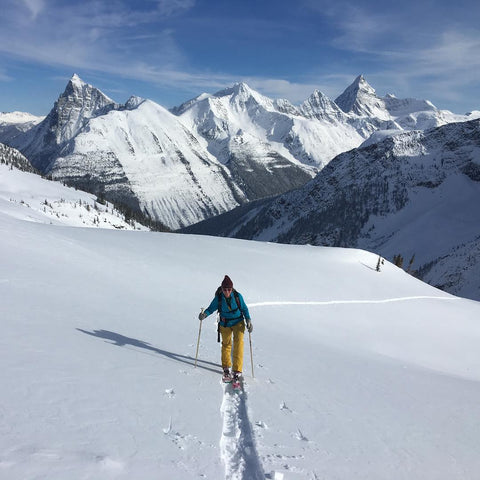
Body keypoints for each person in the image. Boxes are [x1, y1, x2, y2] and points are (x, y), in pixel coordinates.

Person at [198, 275, 253, 383]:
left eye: (229, 289)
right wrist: (204, 315)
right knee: (226, 344)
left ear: (232, 289)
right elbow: (211, 308)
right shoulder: (219, 298)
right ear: (222, 289)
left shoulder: (238, 296)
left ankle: (237, 370)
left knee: (238, 344)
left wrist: (248, 321)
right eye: (225, 289)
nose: (227, 291)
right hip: (225, 323)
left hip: (238, 323)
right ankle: (226, 367)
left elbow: (244, 309)